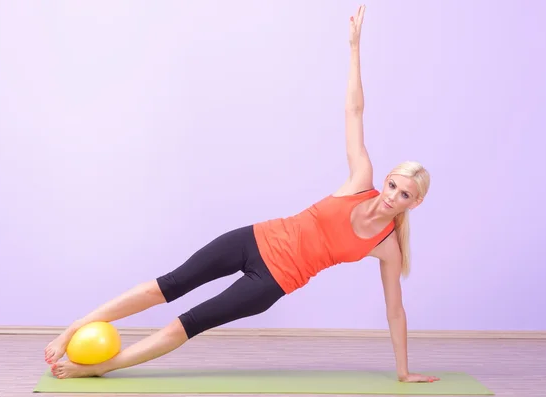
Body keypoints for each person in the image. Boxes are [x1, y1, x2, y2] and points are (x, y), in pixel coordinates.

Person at [44, 5, 439, 384]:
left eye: (405, 195)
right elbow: (355, 111)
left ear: (415, 203)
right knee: (165, 286)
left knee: (187, 323)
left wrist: (403, 371)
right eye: (393, 185)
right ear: (386, 178)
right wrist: (354, 49)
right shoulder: (360, 180)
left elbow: (395, 311)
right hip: (253, 238)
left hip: (270, 283)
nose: (392, 196)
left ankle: (100, 368)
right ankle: (70, 331)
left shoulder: (387, 247)